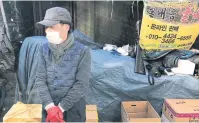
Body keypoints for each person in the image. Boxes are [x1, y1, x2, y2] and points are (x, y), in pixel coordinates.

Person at [35, 7, 91, 122]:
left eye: (52, 27)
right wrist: (50, 108)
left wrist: (60, 108)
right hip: (49, 109)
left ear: (66, 27)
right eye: (46, 27)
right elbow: (40, 79)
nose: (47, 31)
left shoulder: (83, 51)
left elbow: (81, 84)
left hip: (73, 111)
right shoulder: (43, 49)